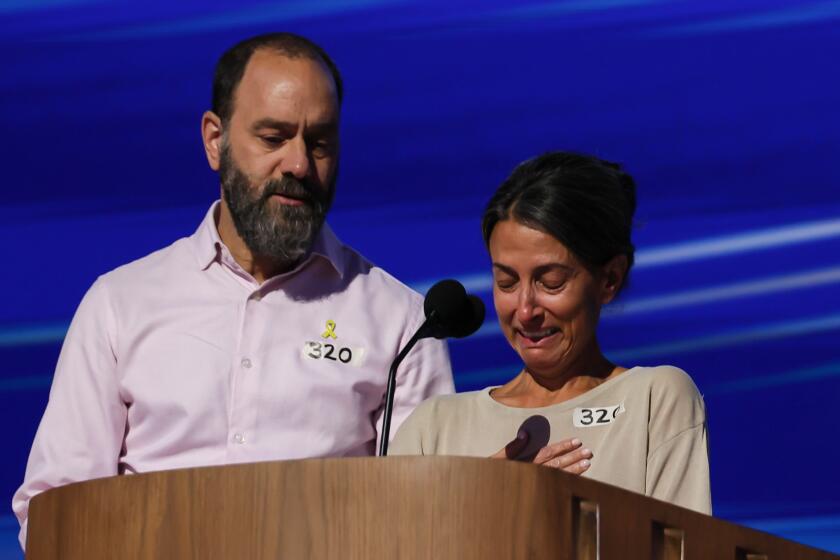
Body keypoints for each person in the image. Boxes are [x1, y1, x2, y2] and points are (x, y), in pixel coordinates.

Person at [13, 32, 453, 546]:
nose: (298, 165)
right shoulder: (120, 303)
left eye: (320, 143)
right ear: (214, 140)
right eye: (273, 137)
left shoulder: (402, 321)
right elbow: (57, 508)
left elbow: (426, 517)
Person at [390, 151, 711, 514]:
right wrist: (477, 504)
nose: (525, 311)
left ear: (610, 279)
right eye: (506, 282)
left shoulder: (655, 401)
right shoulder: (431, 429)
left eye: (551, 282)